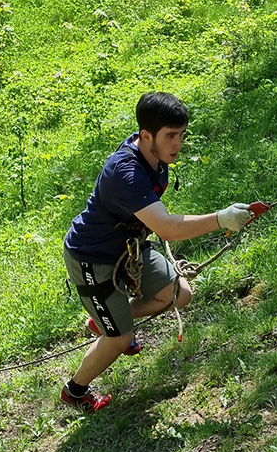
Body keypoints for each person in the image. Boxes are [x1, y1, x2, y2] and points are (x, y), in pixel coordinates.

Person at [60, 92, 253, 412]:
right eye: (170, 136)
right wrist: (222, 219)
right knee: (120, 340)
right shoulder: (125, 173)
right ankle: (75, 391)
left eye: (181, 135)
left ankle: (107, 320)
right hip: (93, 258)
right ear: (146, 135)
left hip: (130, 248)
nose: (177, 144)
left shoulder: (154, 154)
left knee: (179, 294)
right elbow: (167, 228)